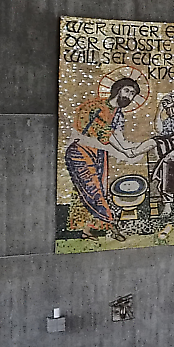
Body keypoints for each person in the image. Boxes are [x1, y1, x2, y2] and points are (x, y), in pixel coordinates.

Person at [63, 76, 144, 233]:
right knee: (93, 190)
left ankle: (90, 229)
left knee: (99, 189)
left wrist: (130, 151)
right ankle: (111, 224)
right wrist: (125, 151)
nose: (128, 96)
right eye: (126, 90)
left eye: (132, 93)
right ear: (117, 90)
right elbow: (105, 134)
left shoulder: (118, 114)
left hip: (99, 154)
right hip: (81, 151)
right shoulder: (96, 106)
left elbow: (117, 137)